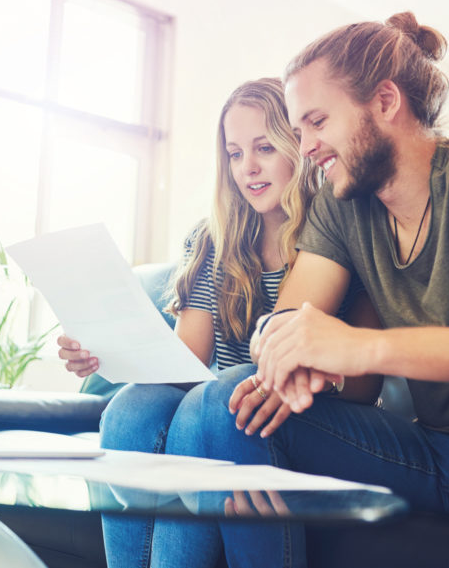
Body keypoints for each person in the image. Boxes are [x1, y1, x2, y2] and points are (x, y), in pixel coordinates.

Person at [157, 11, 449, 568]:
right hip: (437, 451)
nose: (308, 147)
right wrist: (283, 348)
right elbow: (289, 323)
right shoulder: (344, 208)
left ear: (385, 102)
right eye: (297, 131)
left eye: (317, 122)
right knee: (233, 400)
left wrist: (361, 347)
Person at [56, 77, 381, 568]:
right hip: (215, 401)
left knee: (206, 405)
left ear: (297, 144)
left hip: (286, 407)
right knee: (130, 408)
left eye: (264, 148)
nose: (247, 167)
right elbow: (189, 361)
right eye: (233, 153)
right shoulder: (214, 239)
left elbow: (363, 388)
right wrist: (110, 350)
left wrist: (302, 374)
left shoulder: (335, 233)